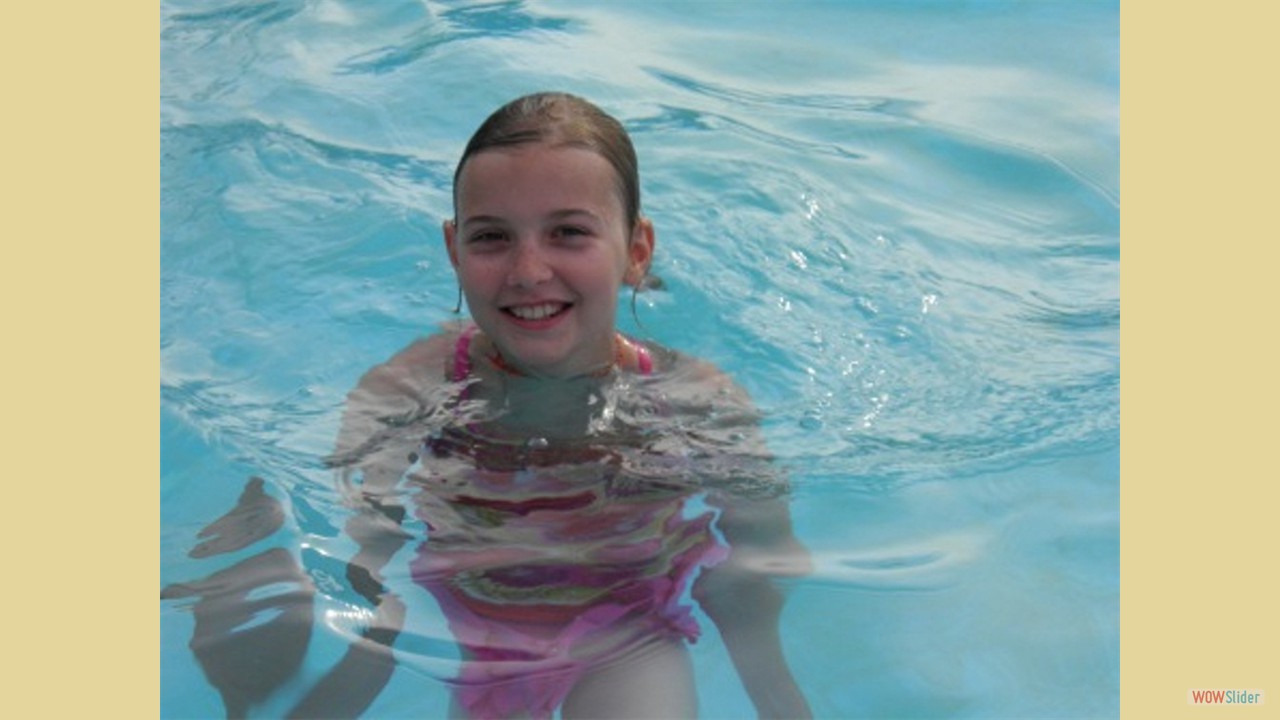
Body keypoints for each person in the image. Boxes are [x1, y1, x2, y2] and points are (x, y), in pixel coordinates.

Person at [314, 92, 813, 719]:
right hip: (484, 635)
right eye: (491, 237)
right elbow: (362, 535)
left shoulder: (695, 402)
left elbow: (760, 559)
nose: (528, 270)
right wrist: (371, 637)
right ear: (454, 250)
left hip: (628, 629)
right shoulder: (408, 389)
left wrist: (776, 695)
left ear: (636, 251)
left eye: (569, 233)